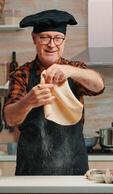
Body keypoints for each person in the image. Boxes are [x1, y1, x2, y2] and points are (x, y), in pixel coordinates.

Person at [3, 9, 104, 175]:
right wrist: (28, 101)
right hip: (31, 174)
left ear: (64, 41)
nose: (52, 44)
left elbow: (98, 85)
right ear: (34, 39)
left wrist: (71, 71)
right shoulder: (22, 74)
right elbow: (10, 118)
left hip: (74, 172)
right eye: (45, 37)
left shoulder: (75, 70)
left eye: (58, 38)